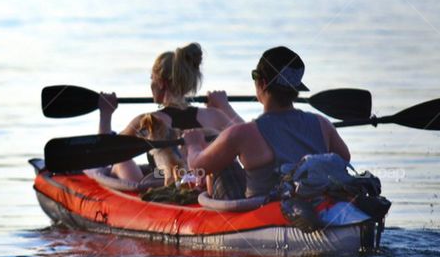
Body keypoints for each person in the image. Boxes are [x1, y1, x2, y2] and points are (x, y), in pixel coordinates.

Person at [183, 46, 351, 198]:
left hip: (264, 215)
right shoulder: (322, 124)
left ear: (262, 83)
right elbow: (344, 158)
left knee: (224, 166)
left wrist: (194, 145)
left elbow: (199, 168)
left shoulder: (243, 134)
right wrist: (224, 107)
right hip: (315, 204)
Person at [98, 43, 239, 183]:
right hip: (204, 179)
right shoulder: (215, 115)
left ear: (161, 83)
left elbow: (106, 152)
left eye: (152, 77)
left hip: (164, 182)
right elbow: (255, 138)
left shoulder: (148, 121)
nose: (150, 83)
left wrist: (105, 113)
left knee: (120, 162)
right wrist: (225, 106)